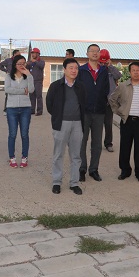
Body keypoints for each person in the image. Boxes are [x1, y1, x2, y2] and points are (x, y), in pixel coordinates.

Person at [108, 61, 139, 183]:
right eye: (133, 70)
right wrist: (119, 111)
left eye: (138, 70)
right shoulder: (123, 86)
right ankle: (125, 171)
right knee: (125, 147)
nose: (136, 72)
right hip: (127, 121)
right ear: (130, 72)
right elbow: (112, 99)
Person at [46, 57, 86, 195]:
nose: (74, 71)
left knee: (76, 155)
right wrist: (58, 117)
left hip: (78, 124)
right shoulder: (56, 86)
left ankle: (74, 183)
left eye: (76, 68)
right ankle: (56, 182)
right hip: (61, 124)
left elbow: (84, 104)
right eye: (71, 68)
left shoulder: (81, 86)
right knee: (58, 154)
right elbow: (49, 105)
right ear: (64, 70)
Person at [77, 43, 110, 182]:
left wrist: (103, 103)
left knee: (97, 143)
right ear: (87, 54)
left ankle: (94, 169)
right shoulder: (81, 70)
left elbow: (106, 89)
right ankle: (81, 168)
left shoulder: (103, 71)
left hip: (99, 112)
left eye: (97, 51)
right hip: (84, 112)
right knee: (82, 142)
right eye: (92, 51)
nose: (95, 53)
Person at [5, 54, 34, 168]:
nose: (22, 65)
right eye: (19, 64)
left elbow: (31, 90)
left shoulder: (28, 76)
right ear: (14, 65)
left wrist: (29, 75)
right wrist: (22, 91)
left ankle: (24, 158)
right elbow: (7, 89)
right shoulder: (9, 76)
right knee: (12, 134)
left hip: (25, 108)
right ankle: (12, 158)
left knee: (24, 134)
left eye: (23, 63)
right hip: (11, 108)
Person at [99, 49, 122, 152]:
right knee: (97, 125)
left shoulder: (111, 70)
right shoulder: (96, 69)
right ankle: (96, 144)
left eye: (105, 62)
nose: (103, 64)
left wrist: (110, 66)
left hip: (108, 102)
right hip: (98, 102)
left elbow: (118, 76)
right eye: (101, 62)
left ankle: (108, 143)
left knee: (108, 124)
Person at [0, 50, 17, 115]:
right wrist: (6, 70)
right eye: (18, 54)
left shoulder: (19, 61)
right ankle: (6, 110)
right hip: (9, 78)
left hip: (17, 79)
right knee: (8, 94)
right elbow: (0, 65)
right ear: (14, 54)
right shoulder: (8, 60)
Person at [27, 47, 45, 115]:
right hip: (31, 81)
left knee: (38, 96)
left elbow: (41, 66)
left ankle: (39, 110)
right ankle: (32, 109)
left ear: (38, 54)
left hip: (38, 81)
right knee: (31, 96)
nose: (32, 54)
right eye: (32, 53)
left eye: (34, 53)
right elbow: (27, 68)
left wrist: (35, 61)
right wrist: (27, 64)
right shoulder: (31, 62)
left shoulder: (41, 61)